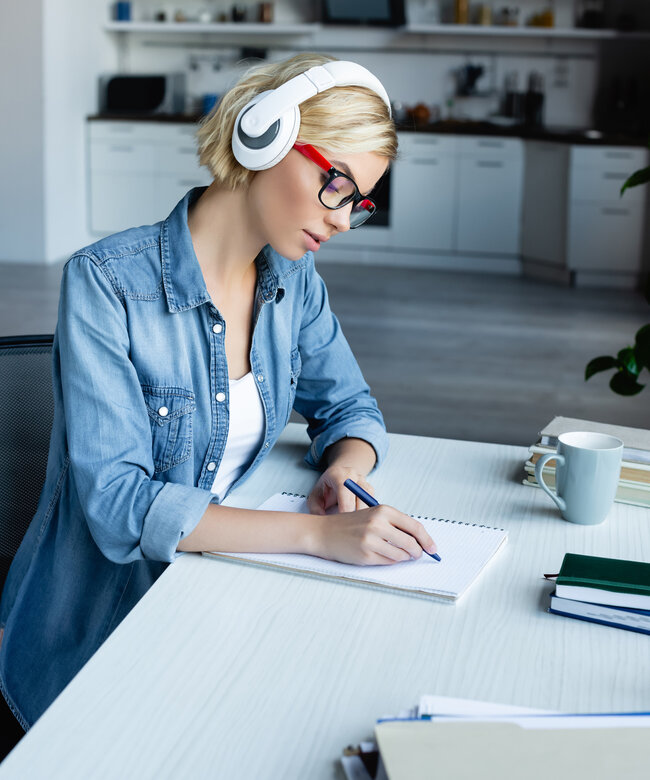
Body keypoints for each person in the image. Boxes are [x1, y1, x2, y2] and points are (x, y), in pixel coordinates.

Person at [0, 53, 437, 734]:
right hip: (107, 625)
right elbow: (119, 505)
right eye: (337, 186)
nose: (345, 221)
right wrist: (319, 536)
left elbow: (350, 408)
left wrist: (345, 472)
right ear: (264, 134)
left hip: (227, 589)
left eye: (360, 202)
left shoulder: (296, 286)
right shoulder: (106, 284)